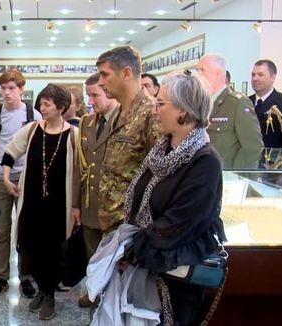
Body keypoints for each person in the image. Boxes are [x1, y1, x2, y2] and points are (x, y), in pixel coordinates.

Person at [120, 72, 227, 326]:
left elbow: (180, 224)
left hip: (176, 278)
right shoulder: (161, 150)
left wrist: (134, 251)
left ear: (185, 111)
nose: (154, 110)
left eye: (161, 104)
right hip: (147, 266)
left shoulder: (205, 161)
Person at [1, 83, 79, 320]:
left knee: (54, 250)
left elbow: (79, 173)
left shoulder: (73, 135)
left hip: (58, 205)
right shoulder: (33, 129)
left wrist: (77, 206)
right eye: (41, 103)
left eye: (47, 103)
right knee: (31, 246)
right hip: (32, 203)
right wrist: (6, 178)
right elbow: (10, 152)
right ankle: (42, 290)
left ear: (61, 107)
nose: (41, 107)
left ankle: (49, 294)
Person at [0, 69, 41, 299]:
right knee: (2, 230)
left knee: (26, 229)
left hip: (26, 177)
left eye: (11, 88)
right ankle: (1, 276)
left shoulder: (33, 115)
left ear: (21, 90)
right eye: (3, 88)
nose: (6, 93)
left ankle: (26, 277)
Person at [95, 45, 159, 232]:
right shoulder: (118, 112)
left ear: (126, 73)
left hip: (134, 226)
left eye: (105, 75)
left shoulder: (152, 113)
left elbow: (162, 175)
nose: (100, 82)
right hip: (112, 224)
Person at [75, 72, 119, 308]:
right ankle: (93, 292)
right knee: (91, 253)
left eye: (95, 95)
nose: (91, 101)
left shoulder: (124, 121)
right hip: (90, 202)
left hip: (114, 205)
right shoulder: (86, 122)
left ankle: (110, 297)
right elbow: (78, 167)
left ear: (109, 92)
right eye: (88, 95)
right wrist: (75, 203)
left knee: (112, 256)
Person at [197, 53, 263, 169]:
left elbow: (253, 148)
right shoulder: (200, 102)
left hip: (224, 177)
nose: (198, 75)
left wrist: (235, 176)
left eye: (202, 70)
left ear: (217, 73)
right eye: (197, 70)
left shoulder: (237, 103)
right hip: (202, 175)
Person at [250, 59, 282, 148]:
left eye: (260, 75)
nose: (255, 78)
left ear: (273, 77)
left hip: (275, 159)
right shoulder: (245, 102)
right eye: (253, 75)